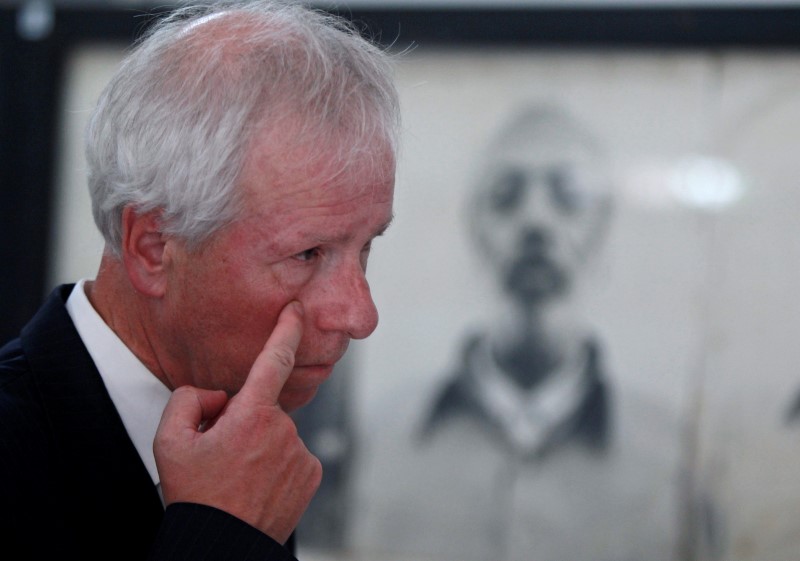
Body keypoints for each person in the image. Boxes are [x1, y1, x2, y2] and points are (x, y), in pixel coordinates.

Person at [0, 1, 400, 559]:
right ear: (153, 249)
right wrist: (221, 533)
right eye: (308, 254)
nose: (360, 316)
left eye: (367, 246)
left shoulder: (245, 438)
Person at [349, 104, 682, 561]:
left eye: (569, 196)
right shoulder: (379, 440)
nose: (536, 221)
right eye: (506, 195)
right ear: (475, 228)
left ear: (603, 228)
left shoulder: (672, 455)